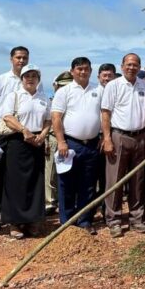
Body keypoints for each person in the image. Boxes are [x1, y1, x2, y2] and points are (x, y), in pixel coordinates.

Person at [0, 46, 39, 233]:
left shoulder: (33, 80)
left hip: (27, 135)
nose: (21, 61)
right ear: (11, 59)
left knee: (20, 177)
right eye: (18, 57)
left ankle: (23, 216)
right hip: (5, 131)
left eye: (24, 57)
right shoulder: (1, 80)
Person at [101, 53, 145, 238]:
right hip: (119, 136)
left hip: (139, 137)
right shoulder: (113, 86)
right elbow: (105, 113)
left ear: (140, 67)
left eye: (135, 64)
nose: (132, 67)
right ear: (122, 66)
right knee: (115, 180)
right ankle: (114, 220)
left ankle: (137, 218)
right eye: (128, 64)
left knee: (137, 180)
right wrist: (107, 138)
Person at [0, 64, 51, 239]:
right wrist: (24, 130)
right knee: (16, 182)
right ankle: (15, 222)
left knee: (36, 181)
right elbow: (7, 117)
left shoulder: (44, 98)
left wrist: (43, 135)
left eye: (34, 76)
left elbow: (48, 120)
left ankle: (33, 220)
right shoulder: (13, 96)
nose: (30, 79)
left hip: (37, 142)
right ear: (21, 79)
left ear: (38, 79)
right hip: (18, 141)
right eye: (27, 76)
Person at [51, 57, 103, 232]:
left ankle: (85, 220)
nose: (83, 72)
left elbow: (104, 116)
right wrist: (61, 141)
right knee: (67, 183)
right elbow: (56, 118)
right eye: (79, 68)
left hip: (92, 144)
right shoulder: (64, 92)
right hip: (70, 144)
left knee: (88, 184)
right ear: (72, 71)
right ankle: (67, 221)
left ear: (91, 70)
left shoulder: (99, 89)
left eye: (86, 68)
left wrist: (104, 136)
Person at [45, 71, 73, 216]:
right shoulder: (50, 100)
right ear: (56, 86)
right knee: (51, 171)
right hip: (52, 138)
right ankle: (50, 201)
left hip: (69, 136)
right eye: (61, 86)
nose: (64, 89)